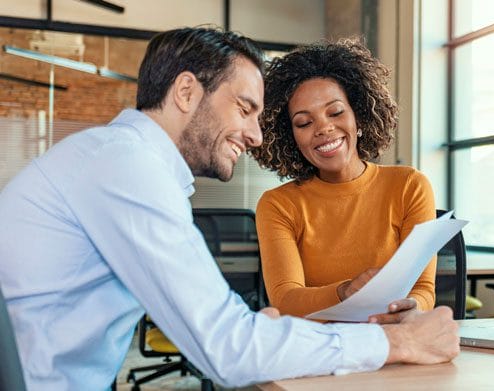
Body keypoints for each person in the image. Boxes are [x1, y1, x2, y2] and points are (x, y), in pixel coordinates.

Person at [0, 27, 459, 390]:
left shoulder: (123, 161)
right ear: (185, 92)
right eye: (244, 109)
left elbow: (225, 334)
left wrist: (259, 335)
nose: (257, 135)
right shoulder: (125, 167)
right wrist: (394, 341)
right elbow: (225, 350)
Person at [252, 38, 436, 321]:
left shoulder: (409, 185)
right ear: (291, 138)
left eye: (335, 112)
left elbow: (423, 289)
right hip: (318, 348)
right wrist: (346, 292)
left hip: (393, 339)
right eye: (304, 122)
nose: (324, 128)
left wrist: (413, 307)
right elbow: (286, 299)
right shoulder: (278, 204)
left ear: (359, 117)